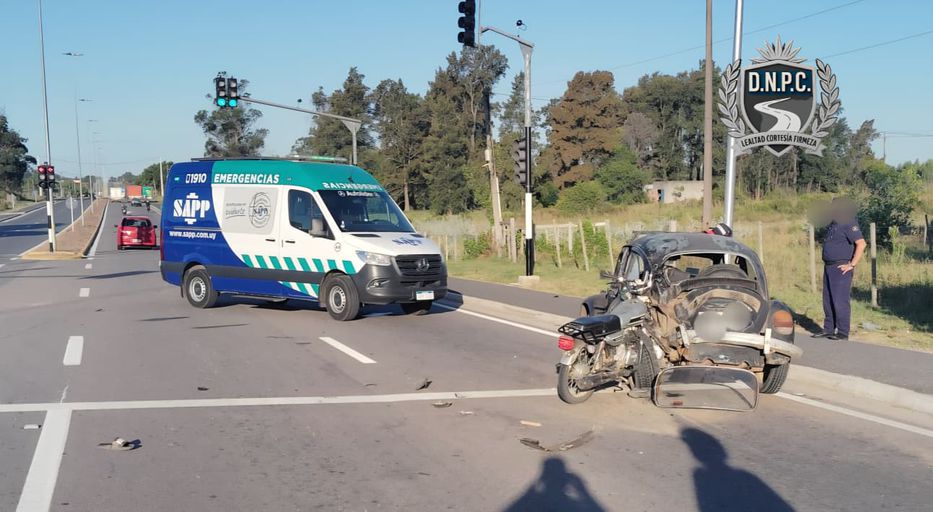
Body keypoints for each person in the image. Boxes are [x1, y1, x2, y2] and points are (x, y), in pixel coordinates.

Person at [815, 197, 866, 341]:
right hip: (829, 265)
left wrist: (852, 264)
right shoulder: (833, 224)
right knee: (828, 299)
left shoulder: (848, 222)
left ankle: (843, 332)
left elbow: (861, 243)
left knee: (840, 300)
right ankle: (828, 329)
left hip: (841, 267)